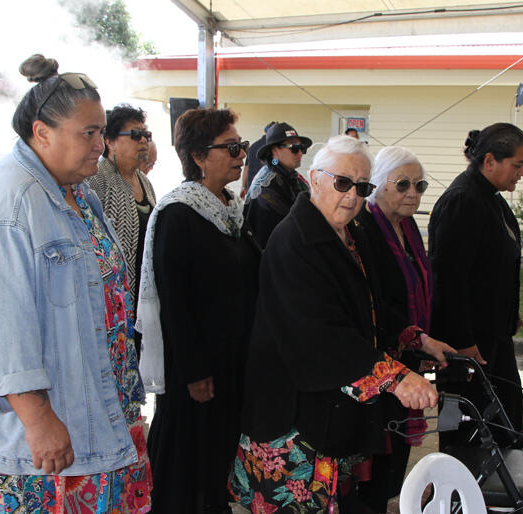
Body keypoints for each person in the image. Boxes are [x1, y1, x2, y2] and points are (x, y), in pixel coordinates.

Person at [0, 54, 151, 512]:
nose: (100, 145)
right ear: (42, 132)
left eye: (102, 132)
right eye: (89, 133)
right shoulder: (6, 202)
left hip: (85, 410)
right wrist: (38, 418)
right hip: (29, 439)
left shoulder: (75, 191)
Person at [230, 135, 447, 512]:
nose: (352, 196)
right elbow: (319, 335)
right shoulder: (294, 242)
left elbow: (371, 305)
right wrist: (394, 377)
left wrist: (417, 338)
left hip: (331, 411)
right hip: (293, 416)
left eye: (362, 187)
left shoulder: (353, 231)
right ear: (315, 179)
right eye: (342, 183)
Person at [137, 107, 260, 513]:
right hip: (197, 370)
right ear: (198, 156)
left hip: (231, 362)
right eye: (231, 147)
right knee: (190, 463)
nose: (241, 155)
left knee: (219, 459)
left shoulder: (231, 208)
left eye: (241, 145)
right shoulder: (178, 214)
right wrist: (194, 372)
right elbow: (174, 302)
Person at [355, 146, 455, 512]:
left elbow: (423, 289)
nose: (413, 193)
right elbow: (378, 301)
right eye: (402, 184)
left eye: (419, 185)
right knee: (376, 462)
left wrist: (422, 341)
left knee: (394, 460)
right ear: (379, 184)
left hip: (409, 355)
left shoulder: (408, 226)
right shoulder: (365, 228)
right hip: (380, 363)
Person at [429, 122, 523, 450]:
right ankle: (459, 478)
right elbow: (448, 278)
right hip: (469, 345)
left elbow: (491, 266)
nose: (522, 173)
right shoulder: (463, 200)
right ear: (489, 161)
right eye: (517, 165)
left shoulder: (490, 197)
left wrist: (509, 310)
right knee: (463, 426)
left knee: (504, 420)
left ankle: (497, 477)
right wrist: (463, 342)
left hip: (491, 336)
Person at [87, 104, 156, 360]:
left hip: (142, 298)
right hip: (111, 304)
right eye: (135, 135)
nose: (144, 141)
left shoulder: (144, 181)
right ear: (110, 141)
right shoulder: (97, 180)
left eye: (146, 135)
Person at [244, 121, 312, 247]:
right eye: (294, 148)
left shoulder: (289, 175)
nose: (300, 153)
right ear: (275, 151)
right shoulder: (268, 186)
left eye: (302, 148)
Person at [240, 121, 276, 197]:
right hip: (268, 191)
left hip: (252, 190)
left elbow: (246, 168)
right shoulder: (274, 147)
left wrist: (243, 187)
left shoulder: (253, 146)